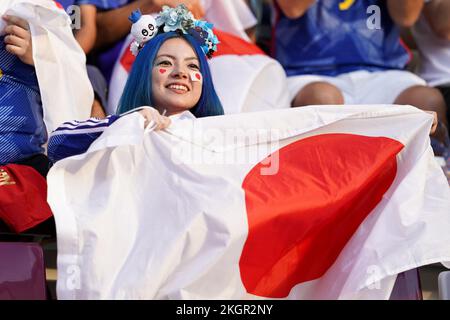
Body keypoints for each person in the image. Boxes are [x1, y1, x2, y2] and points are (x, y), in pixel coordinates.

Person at [48, 5, 224, 163]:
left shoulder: (220, 142)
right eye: (165, 63)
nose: (181, 72)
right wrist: (128, 123)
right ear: (143, 75)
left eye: (192, 65)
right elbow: (57, 144)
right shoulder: (125, 130)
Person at [272, 0, 446, 138]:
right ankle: (325, 176)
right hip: (306, 70)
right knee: (322, 98)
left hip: (382, 70)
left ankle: (434, 176)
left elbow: (407, 17)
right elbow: (292, 7)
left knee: (427, 100)